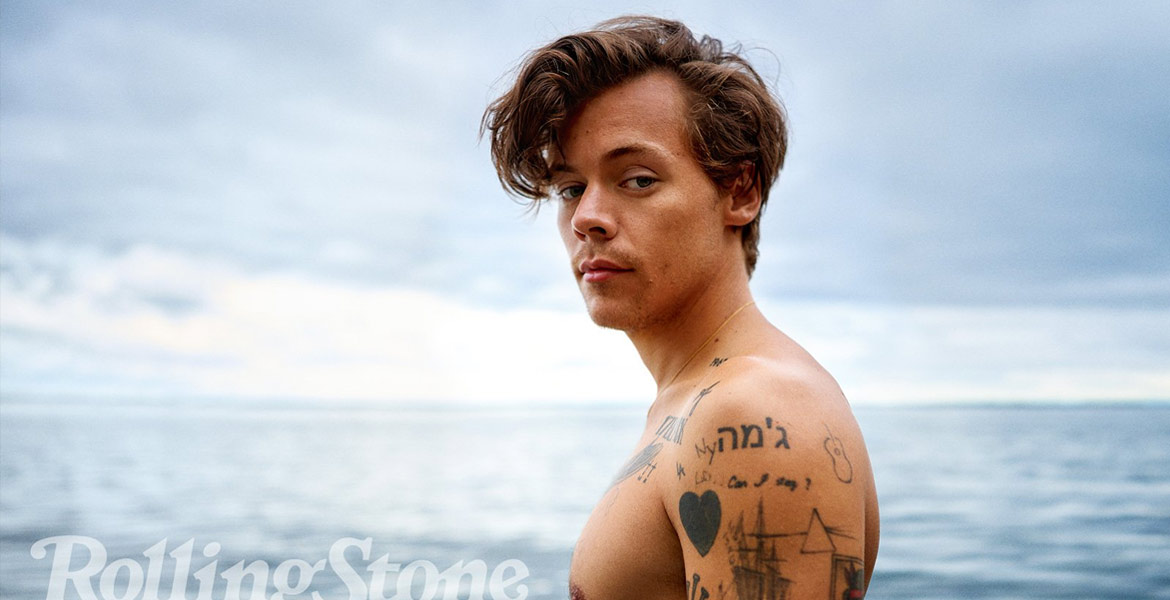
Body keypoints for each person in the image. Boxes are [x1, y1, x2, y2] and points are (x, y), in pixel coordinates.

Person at [482, 16, 878, 600]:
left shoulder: (754, 413)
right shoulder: (699, 399)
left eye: (637, 180)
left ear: (740, 191)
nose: (587, 218)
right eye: (570, 188)